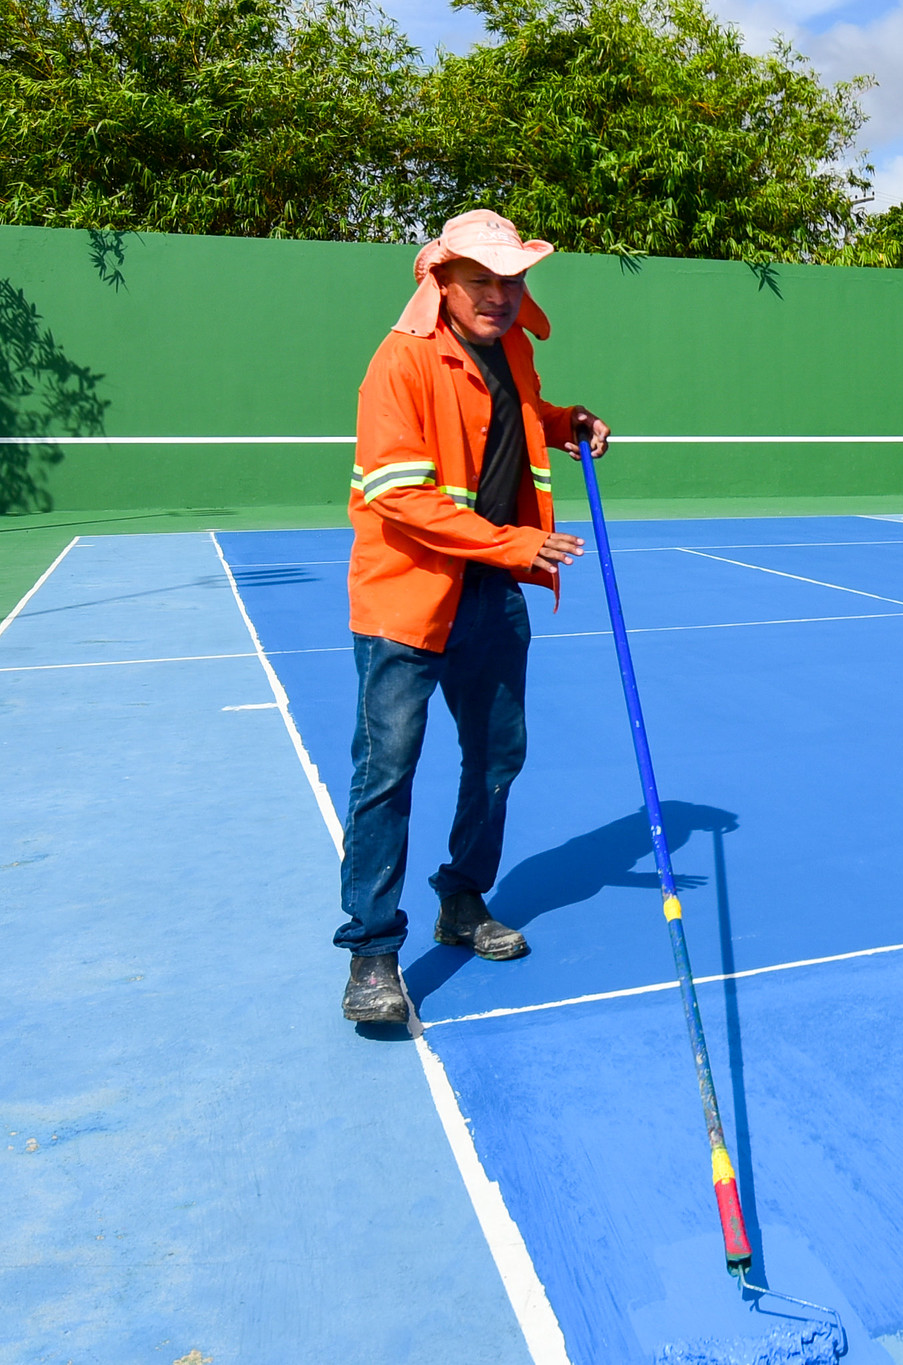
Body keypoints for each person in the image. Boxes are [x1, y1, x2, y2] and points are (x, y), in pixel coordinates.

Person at [337, 210, 611, 1024]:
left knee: (497, 758)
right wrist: (513, 544)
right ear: (442, 280)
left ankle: (461, 901)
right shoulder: (400, 362)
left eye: (512, 279)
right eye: (482, 280)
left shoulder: (512, 349)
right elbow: (399, 493)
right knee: (386, 775)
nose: (500, 294)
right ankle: (373, 955)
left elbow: (514, 418)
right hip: (407, 597)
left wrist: (567, 424)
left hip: (490, 593)